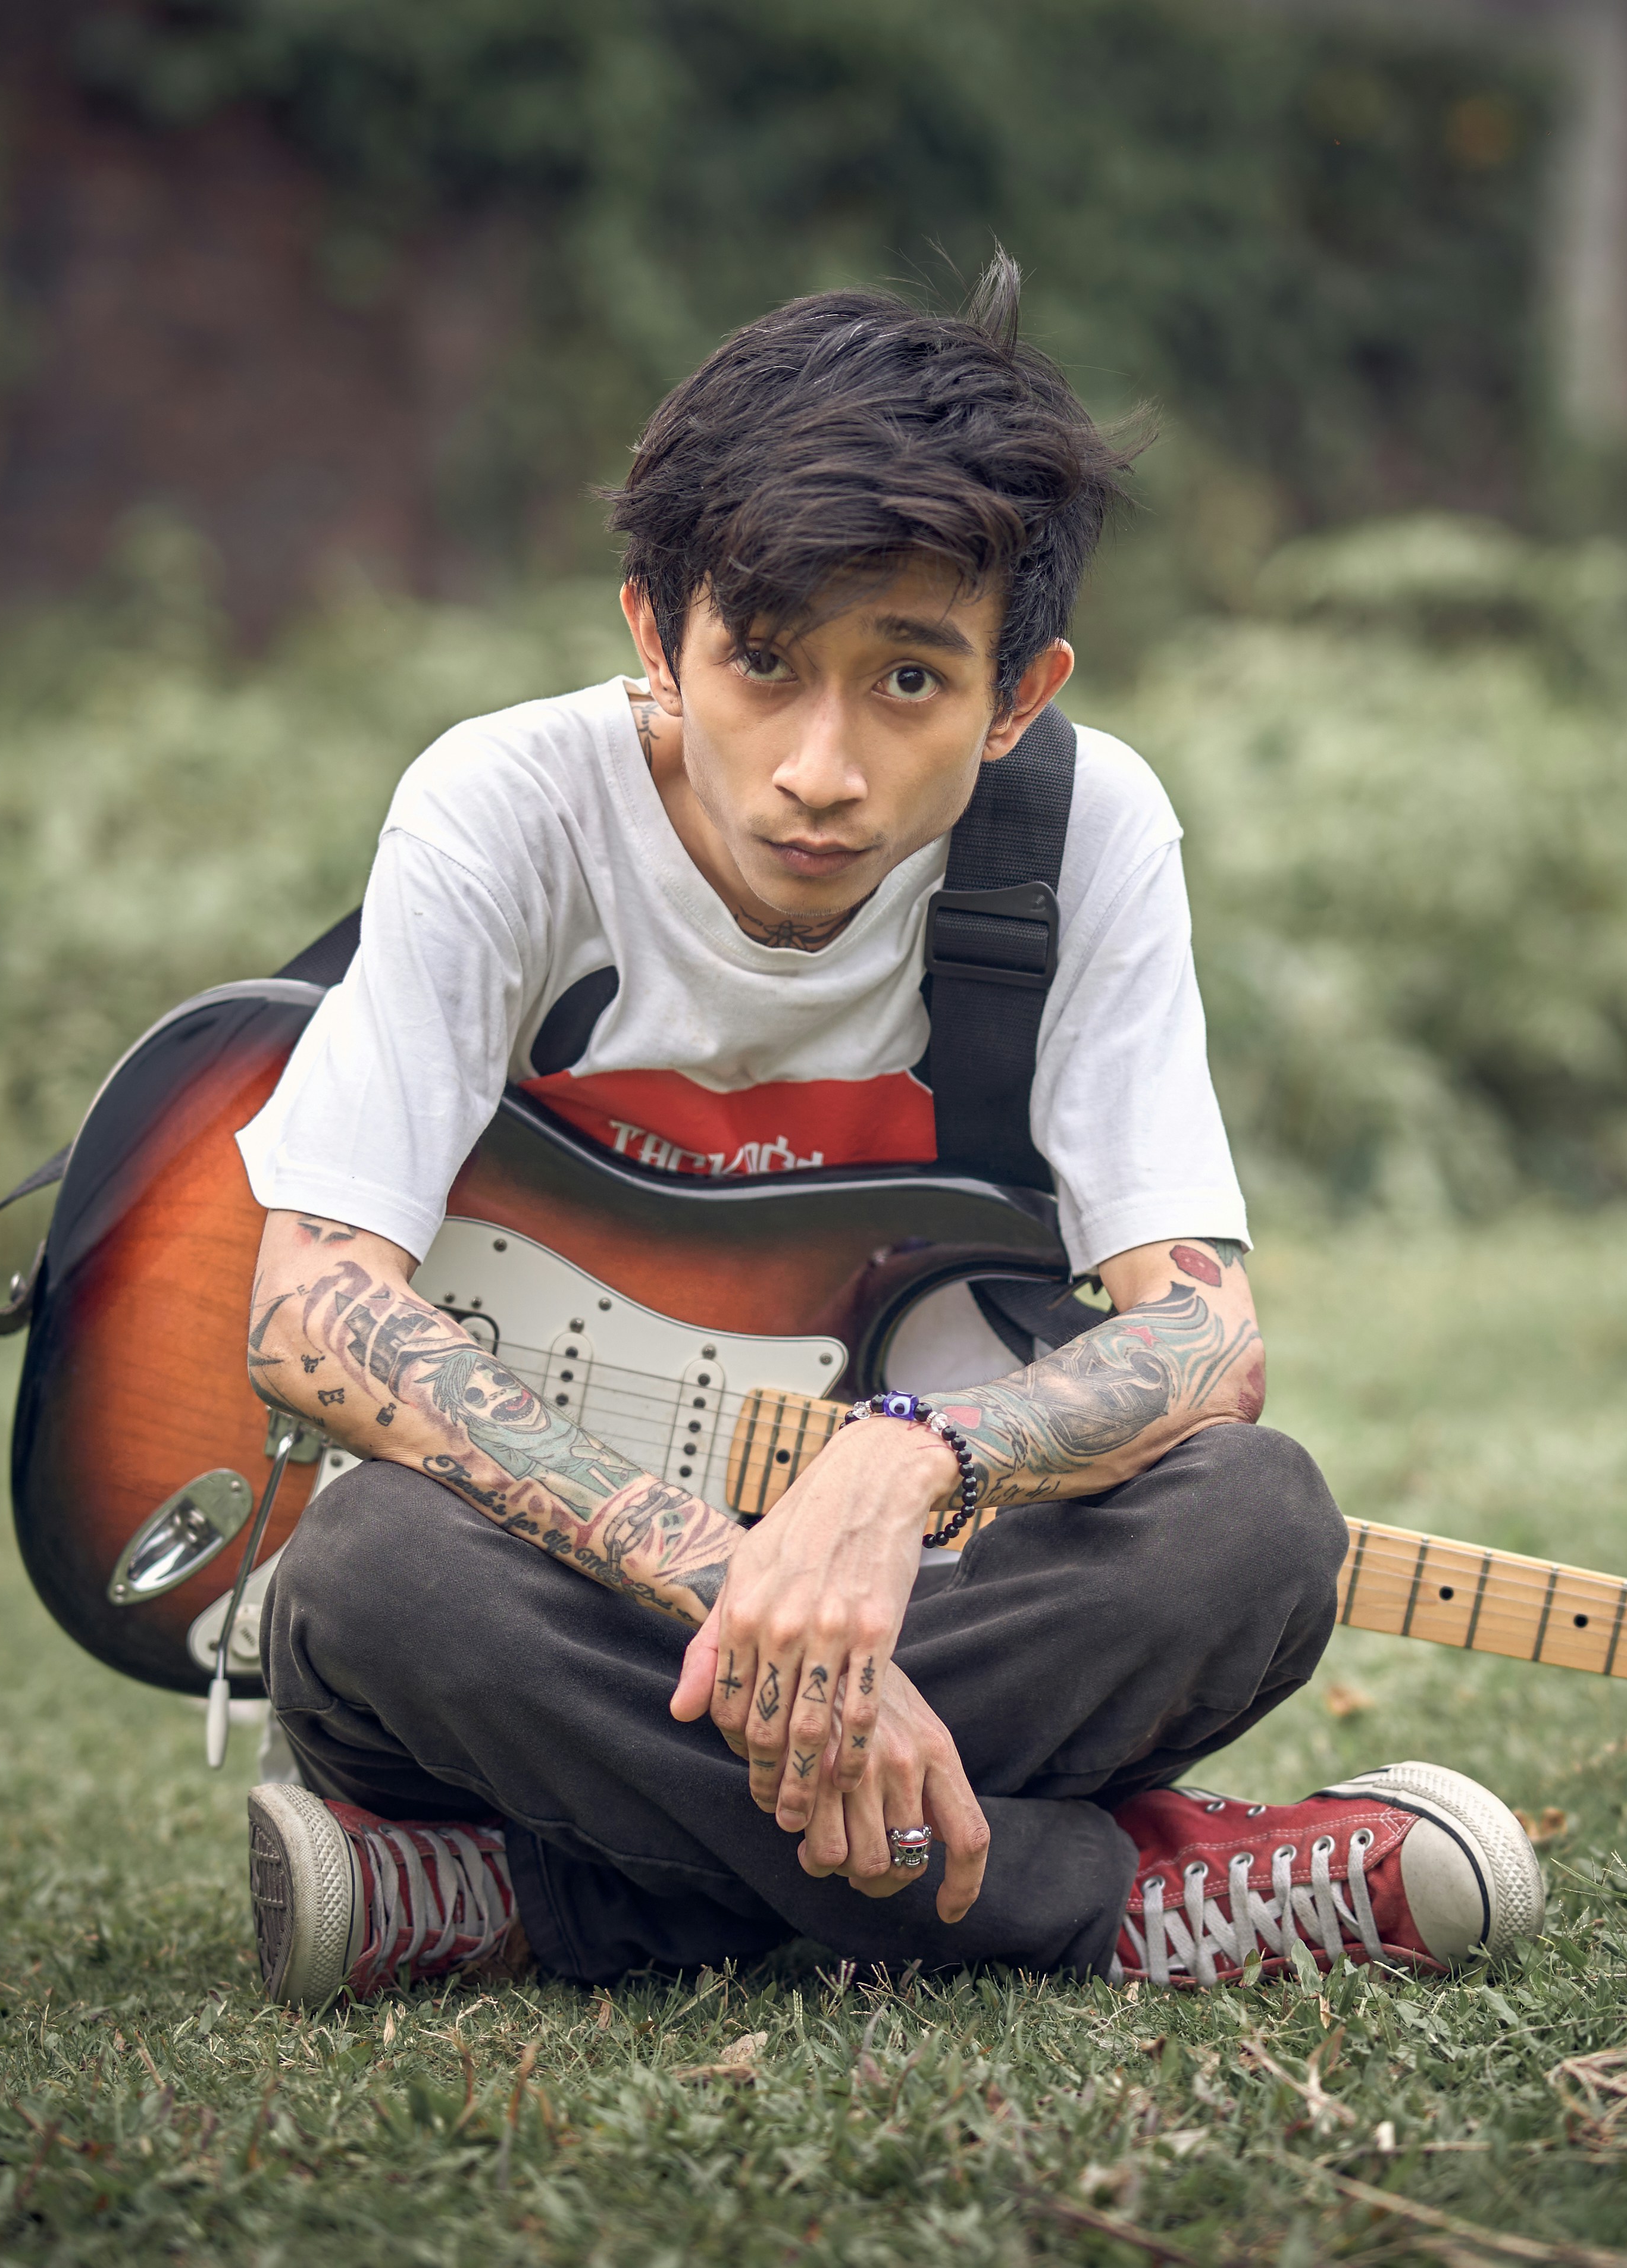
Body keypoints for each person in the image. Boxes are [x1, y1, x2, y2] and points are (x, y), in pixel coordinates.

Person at [227, 257, 1540, 2002]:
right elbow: (309, 1310)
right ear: (653, 634)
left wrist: (903, 1463)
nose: (816, 769)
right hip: (546, 1624)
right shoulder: (508, 804)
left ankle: (533, 1903)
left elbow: (1207, 1344)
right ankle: (1114, 1904)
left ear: (1016, 696)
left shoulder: (1082, 836)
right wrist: (735, 1584)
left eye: (907, 683)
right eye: (758, 663)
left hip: (879, 1618)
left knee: (1253, 1526)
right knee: (378, 1569)